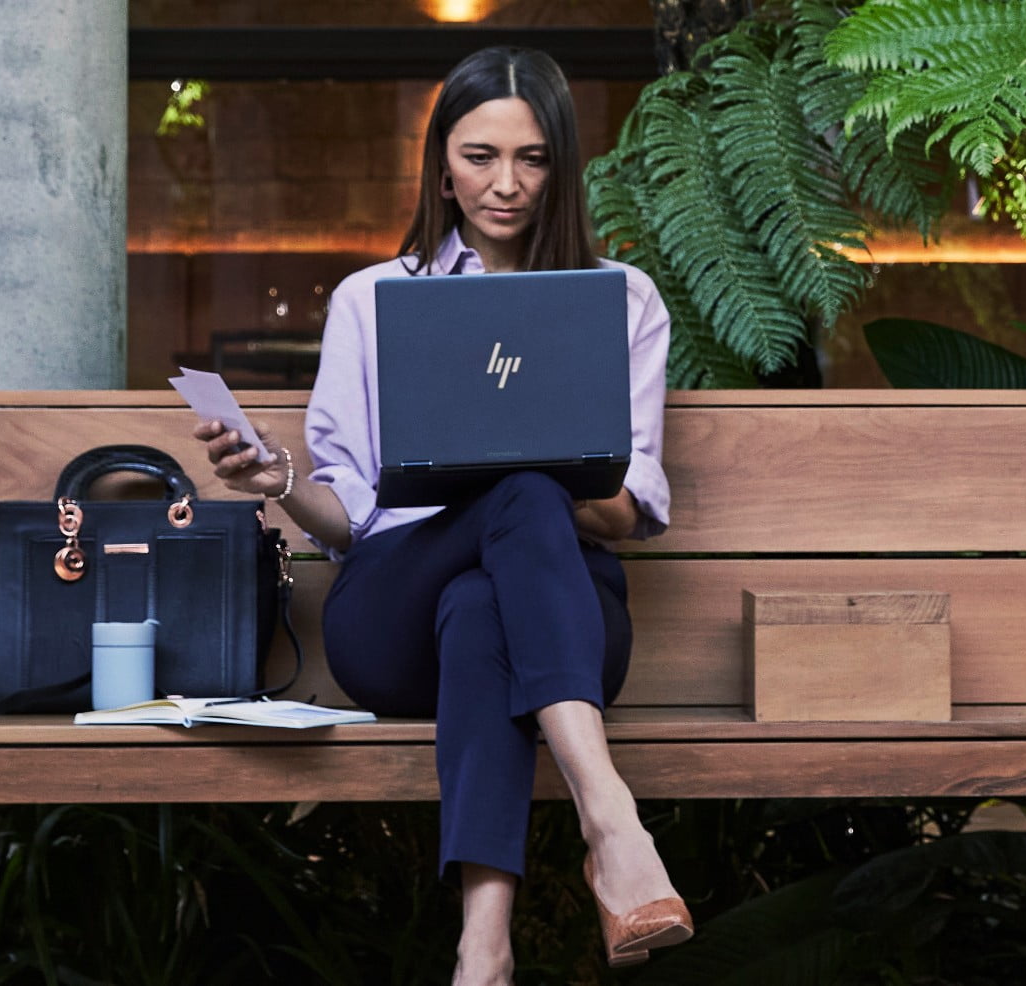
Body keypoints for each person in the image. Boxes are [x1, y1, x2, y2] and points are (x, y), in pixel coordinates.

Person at [193, 46, 689, 982]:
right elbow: (344, 519)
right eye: (479, 156)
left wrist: (543, 468)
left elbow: (627, 514)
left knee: (490, 590)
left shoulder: (622, 301)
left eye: (533, 158)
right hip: (391, 622)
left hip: (565, 627)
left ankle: (481, 952)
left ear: (561, 165)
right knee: (516, 496)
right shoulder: (374, 299)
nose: (506, 184)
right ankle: (611, 821)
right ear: (441, 163)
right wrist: (277, 479)